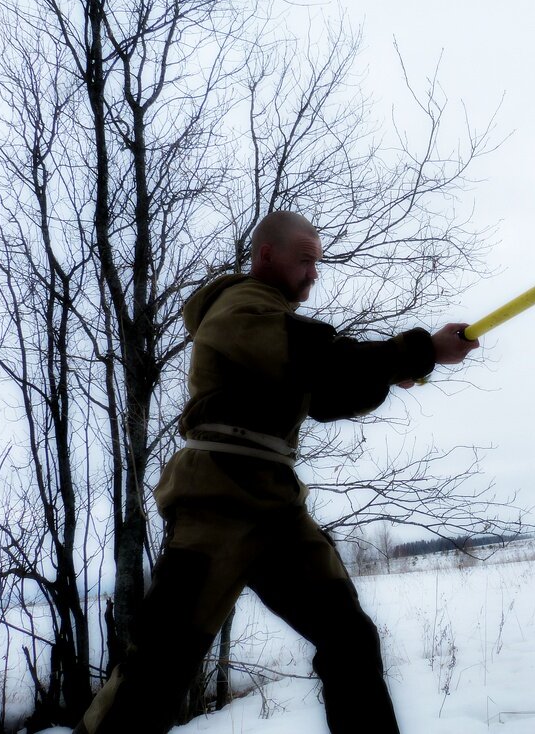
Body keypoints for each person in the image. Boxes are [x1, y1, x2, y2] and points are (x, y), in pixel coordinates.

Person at [74, 211, 479, 734]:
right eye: (305, 259)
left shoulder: (272, 318)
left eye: (318, 262)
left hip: (276, 508)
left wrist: (400, 367)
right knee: (161, 663)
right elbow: (319, 361)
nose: (314, 272)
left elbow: (329, 395)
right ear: (267, 255)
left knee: (349, 638)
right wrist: (424, 350)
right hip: (217, 501)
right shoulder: (239, 307)